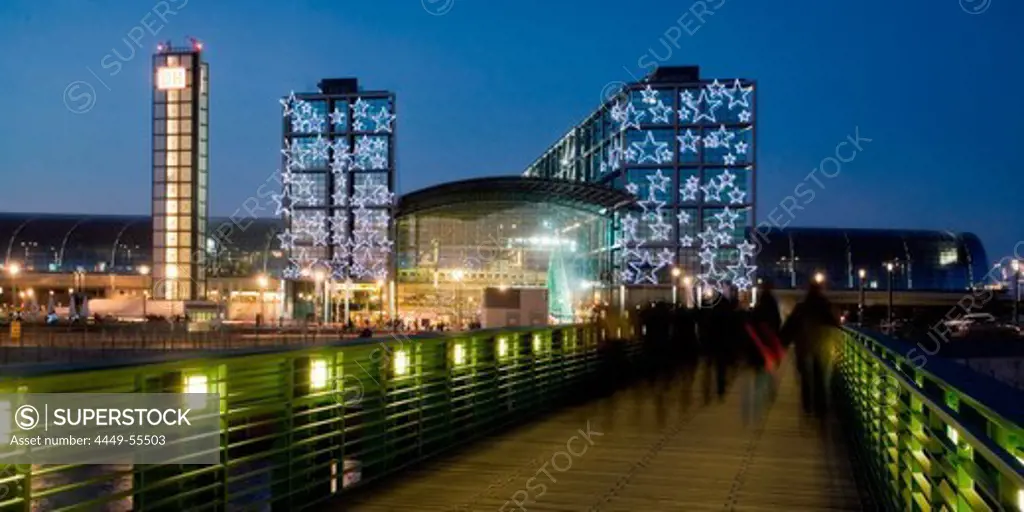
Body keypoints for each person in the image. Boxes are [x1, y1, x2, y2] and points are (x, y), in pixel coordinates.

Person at [781, 282, 840, 416]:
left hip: (803, 346)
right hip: (820, 346)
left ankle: (807, 405)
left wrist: (782, 343)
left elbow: (790, 326)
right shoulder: (824, 306)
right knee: (819, 376)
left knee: (805, 378)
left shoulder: (801, 307)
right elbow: (833, 323)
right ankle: (820, 408)